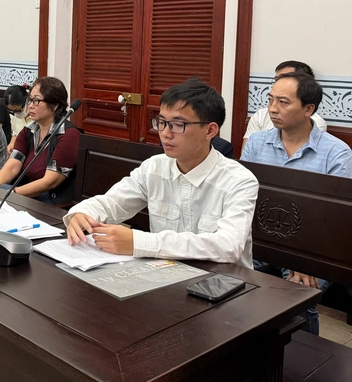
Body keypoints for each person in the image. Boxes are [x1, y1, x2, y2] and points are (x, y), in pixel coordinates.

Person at [64, 78, 258, 269]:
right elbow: (112, 202)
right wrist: (81, 213)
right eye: (162, 122)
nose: (165, 133)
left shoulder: (239, 181)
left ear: (210, 130)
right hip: (164, 274)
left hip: (225, 281)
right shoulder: (154, 167)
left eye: (178, 125)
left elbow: (228, 246)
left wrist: (139, 242)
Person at [241, 71, 352, 335]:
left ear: (308, 109)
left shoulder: (337, 153)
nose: (272, 109)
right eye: (270, 100)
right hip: (261, 241)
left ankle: (306, 355)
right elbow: (242, 196)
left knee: (298, 298)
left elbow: (334, 220)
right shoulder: (257, 143)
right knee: (228, 281)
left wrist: (304, 262)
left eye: (283, 102)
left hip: (311, 249)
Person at [0, 77, 80, 205]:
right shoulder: (28, 131)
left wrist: (10, 194)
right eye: (30, 100)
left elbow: (50, 182)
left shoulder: (68, 135)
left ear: (55, 105)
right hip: (24, 194)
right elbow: (12, 166)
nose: (30, 106)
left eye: (36, 101)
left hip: (51, 200)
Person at [243, 60, 327, 151]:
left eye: (283, 102)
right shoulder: (258, 126)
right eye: (277, 79)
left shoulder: (318, 124)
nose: (272, 109)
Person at [4, 84, 32, 154]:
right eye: (12, 111)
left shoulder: (36, 117)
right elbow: (15, 134)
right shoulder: (15, 117)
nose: (16, 113)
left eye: (17, 110)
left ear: (26, 101)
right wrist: (11, 145)